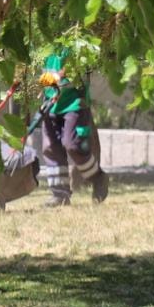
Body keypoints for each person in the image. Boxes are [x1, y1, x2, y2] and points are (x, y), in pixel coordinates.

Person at [38, 48, 109, 206]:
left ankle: (98, 177)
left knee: (72, 144)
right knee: (50, 147)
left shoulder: (73, 41)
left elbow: (80, 68)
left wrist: (57, 77)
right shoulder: (43, 45)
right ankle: (59, 194)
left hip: (74, 103)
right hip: (51, 104)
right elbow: (40, 75)